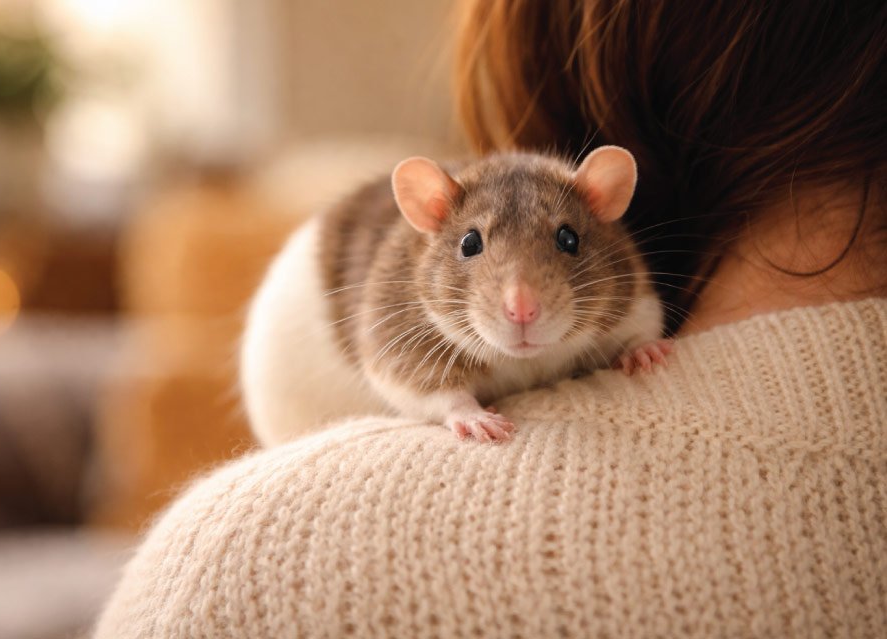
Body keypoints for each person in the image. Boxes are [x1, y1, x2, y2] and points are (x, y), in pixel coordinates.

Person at [95, 2, 886, 637]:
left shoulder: (225, 582)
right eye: (473, 246)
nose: (521, 302)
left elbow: (636, 309)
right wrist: (450, 402)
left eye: (565, 244)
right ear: (434, 223)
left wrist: (637, 346)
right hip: (318, 394)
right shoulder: (402, 298)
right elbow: (388, 352)